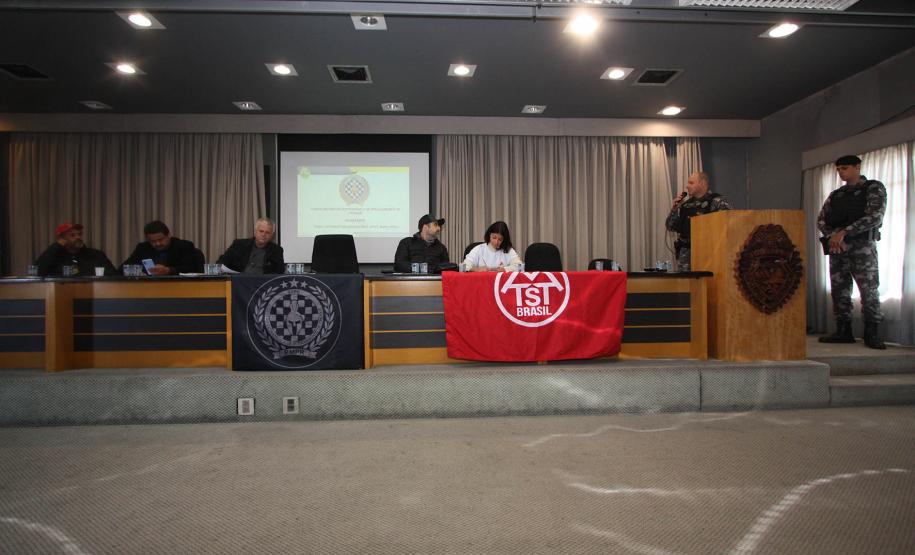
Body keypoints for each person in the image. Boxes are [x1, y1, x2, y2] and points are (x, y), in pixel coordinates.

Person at [817, 155, 886, 349]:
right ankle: (843, 330)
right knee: (840, 290)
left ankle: (872, 333)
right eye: (839, 169)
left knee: (868, 290)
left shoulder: (873, 188)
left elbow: (874, 217)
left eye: (845, 168)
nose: (841, 172)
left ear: (857, 167)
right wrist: (834, 236)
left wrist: (844, 233)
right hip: (838, 248)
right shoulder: (836, 195)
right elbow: (821, 220)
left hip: (862, 247)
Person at [665, 171, 731, 271]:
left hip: (707, 254)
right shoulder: (685, 205)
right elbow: (670, 226)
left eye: (691, 183)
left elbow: (728, 223)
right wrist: (674, 209)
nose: (687, 186)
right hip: (686, 256)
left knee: (705, 285)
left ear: (702, 183)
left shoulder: (716, 201)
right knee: (685, 285)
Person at [34, 222, 117, 277]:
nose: (78, 237)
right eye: (72, 235)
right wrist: (56, 246)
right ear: (61, 239)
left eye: (79, 234)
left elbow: (113, 275)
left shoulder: (96, 255)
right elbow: (37, 272)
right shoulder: (55, 257)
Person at [122, 220, 203, 275]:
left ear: (168, 235)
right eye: (152, 241)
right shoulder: (142, 248)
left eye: (160, 239)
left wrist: (168, 270)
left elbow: (192, 268)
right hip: (148, 288)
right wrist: (137, 272)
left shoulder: (184, 246)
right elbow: (124, 268)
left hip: (178, 287)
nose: (157, 243)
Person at [217, 218, 285, 274]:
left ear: (271, 236)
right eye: (261, 231)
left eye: (267, 232)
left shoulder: (276, 250)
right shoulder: (239, 245)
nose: (263, 235)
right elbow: (222, 262)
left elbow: (279, 271)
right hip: (238, 282)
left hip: (262, 285)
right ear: (255, 232)